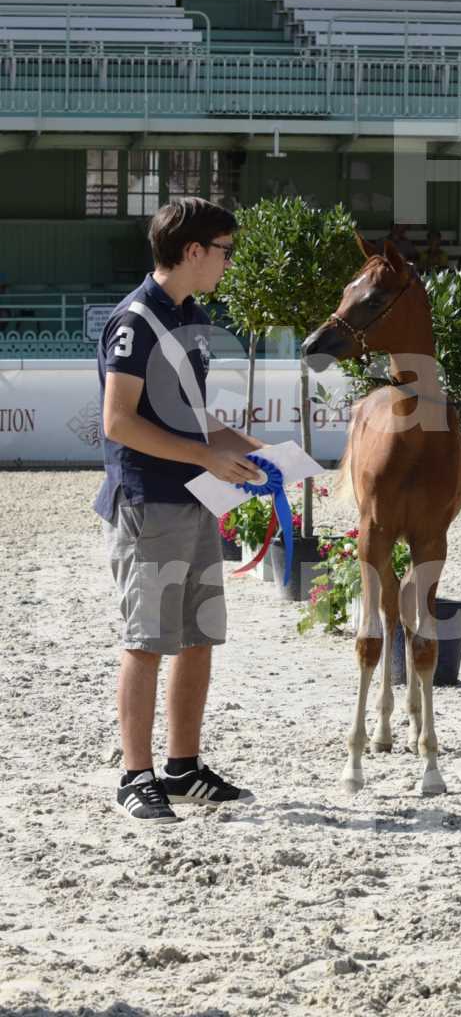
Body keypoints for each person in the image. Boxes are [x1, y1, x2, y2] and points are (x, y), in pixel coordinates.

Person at [95, 198, 264, 823]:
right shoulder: (137, 320)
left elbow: (191, 419)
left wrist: (260, 453)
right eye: (224, 249)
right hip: (149, 501)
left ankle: (182, 768)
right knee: (146, 641)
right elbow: (118, 423)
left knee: (198, 636)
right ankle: (133, 775)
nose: (228, 262)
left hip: (192, 496)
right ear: (193, 251)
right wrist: (207, 456)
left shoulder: (186, 315)